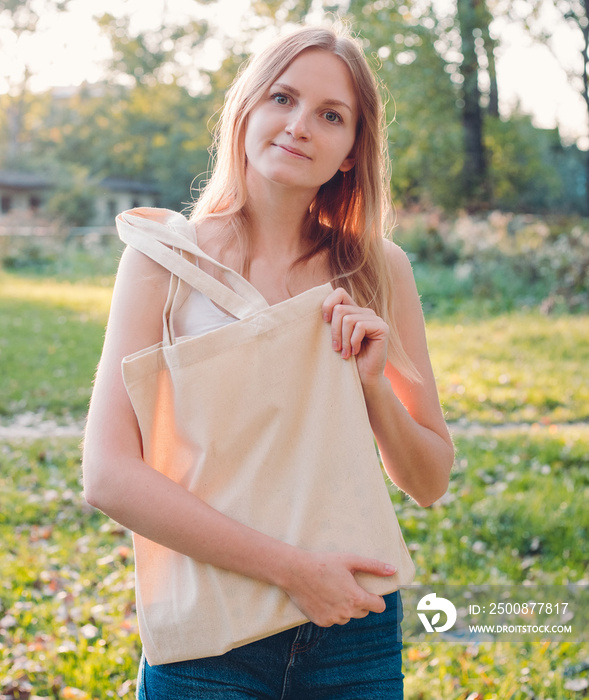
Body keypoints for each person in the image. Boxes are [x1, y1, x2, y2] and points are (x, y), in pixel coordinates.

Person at [82, 23, 454, 699]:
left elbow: (427, 481)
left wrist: (374, 389)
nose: (299, 125)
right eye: (281, 98)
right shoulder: (165, 261)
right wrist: (291, 570)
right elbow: (107, 474)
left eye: (330, 115)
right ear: (245, 110)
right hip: (210, 630)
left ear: (349, 151)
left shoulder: (377, 269)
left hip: (352, 625)